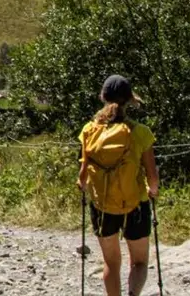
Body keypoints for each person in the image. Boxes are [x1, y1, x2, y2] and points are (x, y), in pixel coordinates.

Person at [77, 74, 160, 296]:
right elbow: (153, 178)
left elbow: (82, 178)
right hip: (136, 205)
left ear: (102, 97)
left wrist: (85, 186)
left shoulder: (88, 131)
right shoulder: (140, 132)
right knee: (139, 262)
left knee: (111, 263)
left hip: (102, 207)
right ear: (130, 99)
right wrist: (152, 191)